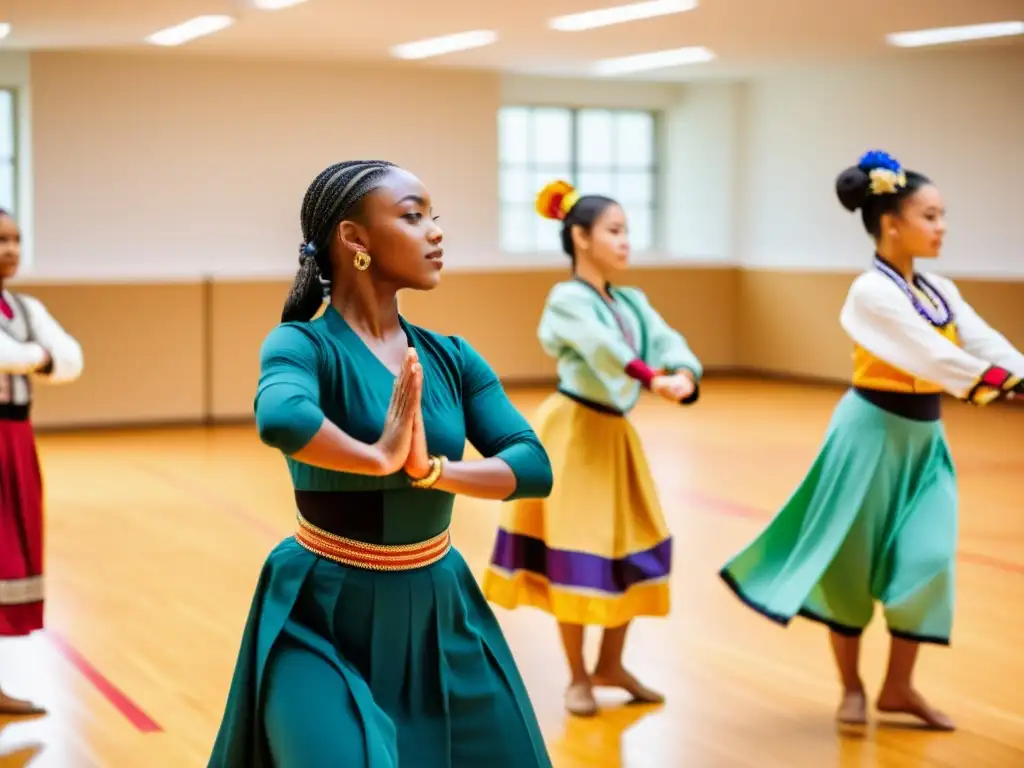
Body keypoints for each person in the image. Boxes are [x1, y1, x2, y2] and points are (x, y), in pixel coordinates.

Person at [207, 161, 555, 768]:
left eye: (434, 218)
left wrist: (433, 471)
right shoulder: (301, 344)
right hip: (321, 610)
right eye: (413, 215)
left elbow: (532, 465)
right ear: (354, 239)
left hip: (438, 605)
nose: (435, 232)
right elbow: (281, 419)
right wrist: (378, 457)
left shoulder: (451, 356)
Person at [719, 150, 1024, 732]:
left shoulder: (941, 289)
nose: (942, 227)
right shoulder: (870, 291)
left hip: (923, 440)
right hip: (868, 436)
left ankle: (899, 686)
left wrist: (1019, 371)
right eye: (930, 216)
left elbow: (985, 342)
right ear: (891, 223)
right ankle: (852, 686)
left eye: (942, 216)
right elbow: (933, 354)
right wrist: (1000, 385)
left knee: (928, 557)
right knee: (851, 564)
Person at [481, 180, 703, 717]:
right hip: (574, 433)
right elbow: (602, 348)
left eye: (627, 231)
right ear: (580, 237)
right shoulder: (566, 300)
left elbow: (667, 338)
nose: (625, 241)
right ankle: (577, 674)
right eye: (614, 230)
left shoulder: (631, 300)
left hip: (614, 435)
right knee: (576, 545)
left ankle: (610, 662)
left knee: (632, 540)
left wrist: (684, 374)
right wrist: (652, 378)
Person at [0, 207, 84, 715]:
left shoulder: (23, 307)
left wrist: (36, 353)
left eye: (16, 239)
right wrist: (39, 355)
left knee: (8, 553)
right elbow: (12, 357)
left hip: (15, 441)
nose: (10, 249)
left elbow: (70, 357)